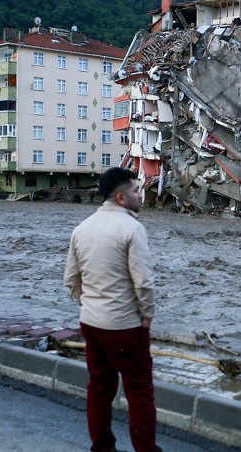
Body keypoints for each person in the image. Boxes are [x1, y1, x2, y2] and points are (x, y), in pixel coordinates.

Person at [64, 167, 158, 452]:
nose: (140, 195)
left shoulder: (82, 229)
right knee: (139, 391)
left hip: (91, 323)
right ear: (120, 197)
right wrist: (146, 315)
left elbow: (70, 279)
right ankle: (146, 449)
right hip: (125, 326)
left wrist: (89, 303)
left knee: (99, 388)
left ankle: (102, 446)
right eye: (135, 190)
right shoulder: (132, 228)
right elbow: (143, 282)